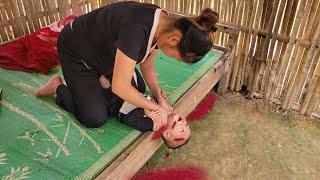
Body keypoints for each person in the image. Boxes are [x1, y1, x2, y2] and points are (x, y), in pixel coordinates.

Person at [34, 1, 218, 130]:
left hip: (106, 56)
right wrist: (155, 108)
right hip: (78, 54)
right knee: (94, 117)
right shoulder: (137, 29)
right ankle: (58, 88)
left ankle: (99, 81)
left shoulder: (163, 25)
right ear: (173, 39)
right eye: (177, 58)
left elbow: (147, 65)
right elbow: (120, 86)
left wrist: (159, 99)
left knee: (139, 88)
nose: (174, 60)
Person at [0, 15, 78, 73]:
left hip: (59, 36)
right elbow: (55, 25)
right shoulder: (74, 17)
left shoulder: (82, 26)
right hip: (47, 34)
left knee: (45, 51)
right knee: (27, 42)